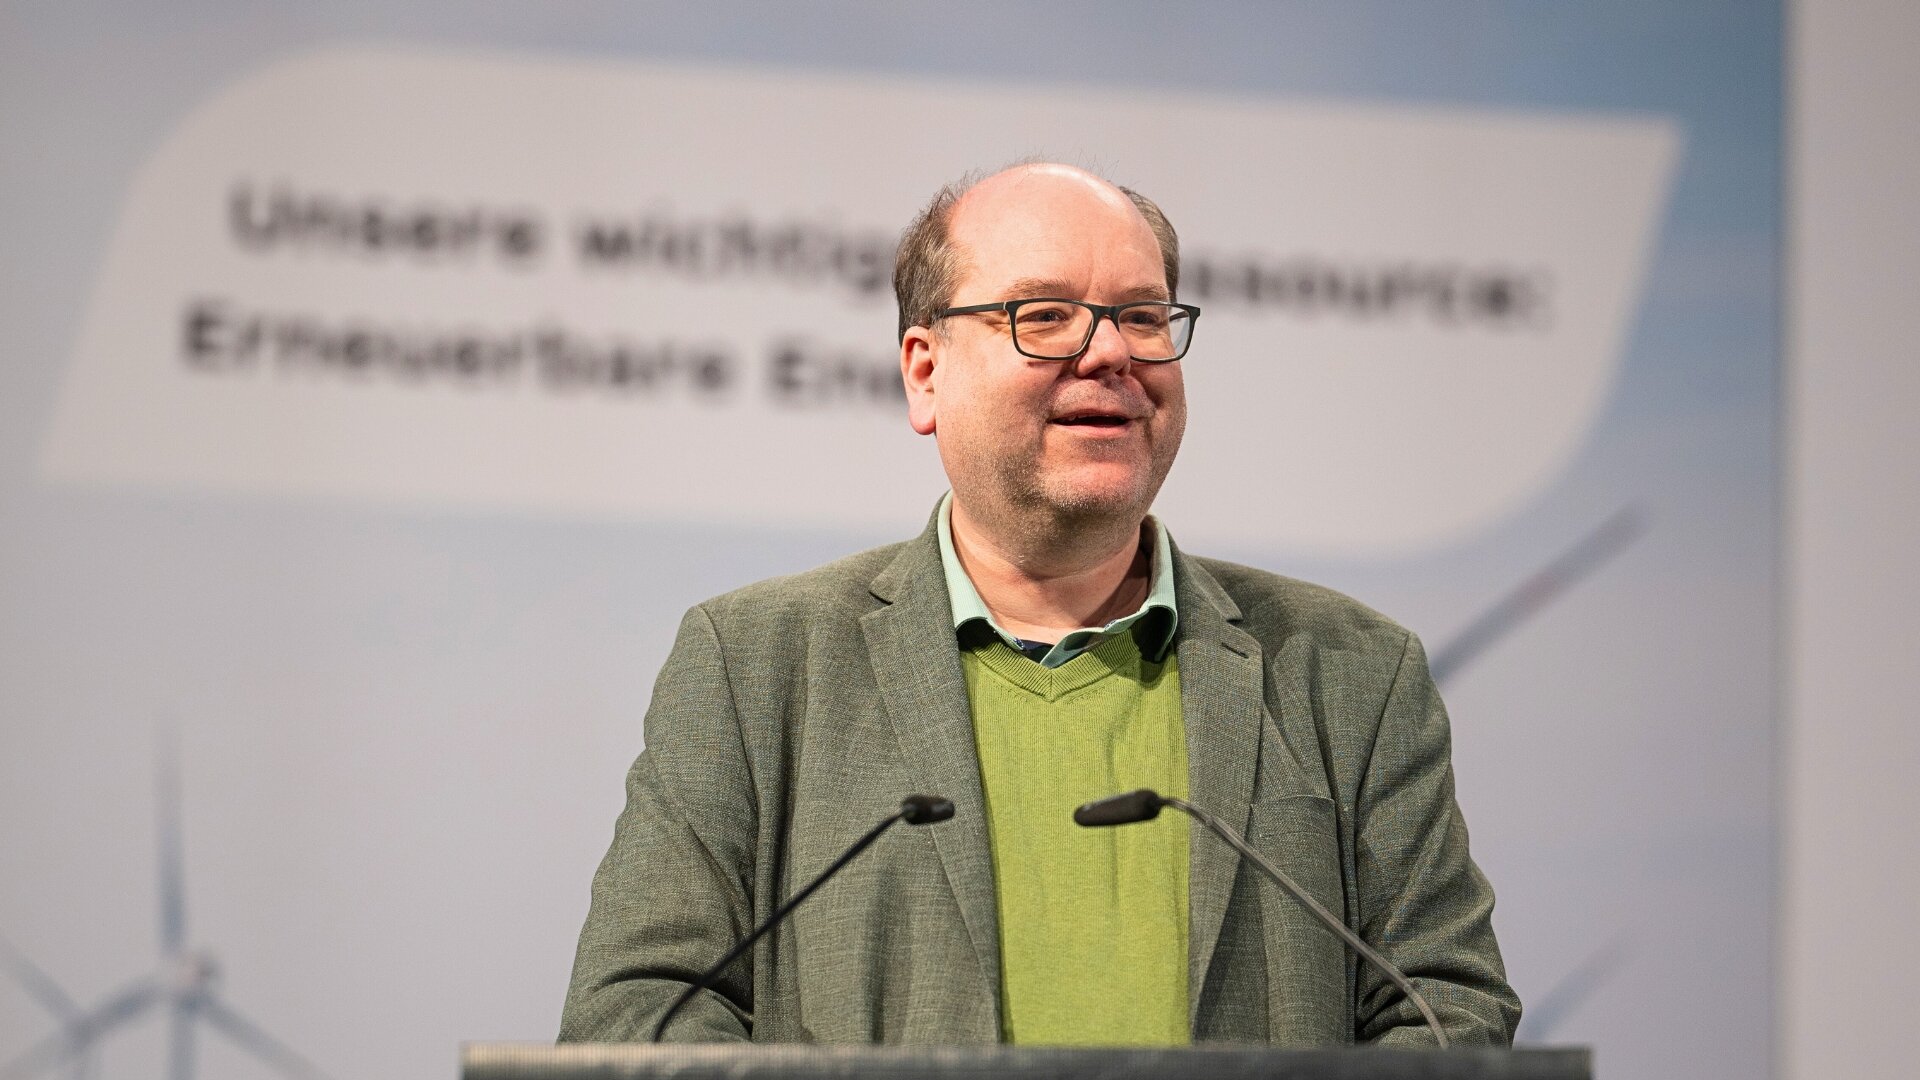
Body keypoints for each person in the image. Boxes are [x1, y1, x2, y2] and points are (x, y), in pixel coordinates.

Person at [559, 163, 1520, 1047]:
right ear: (925, 370)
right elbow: (637, 1019)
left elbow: (1449, 1014)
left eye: (1142, 316)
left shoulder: (1350, 671)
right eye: (1045, 315)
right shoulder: (757, 664)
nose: (1110, 352)